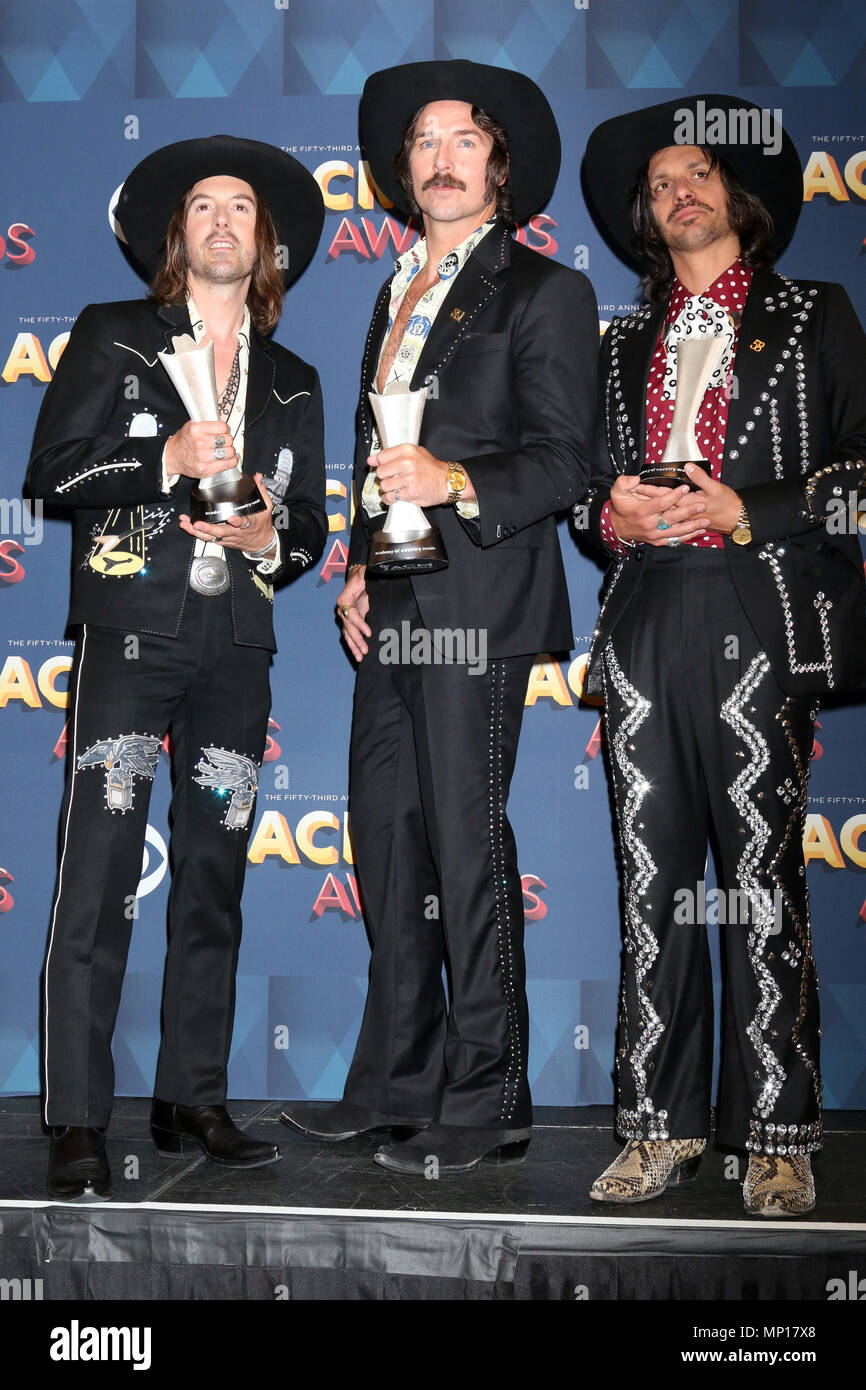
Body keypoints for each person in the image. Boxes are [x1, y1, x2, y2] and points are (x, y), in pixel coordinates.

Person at [280, 59, 598, 1175]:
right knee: (389, 840)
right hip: (398, 596)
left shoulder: (543, 291)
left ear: (498, 169)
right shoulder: (393, 289)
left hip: (483, 600)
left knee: (464, 844)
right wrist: (365, 565)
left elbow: (565, 460)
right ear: (401, 172)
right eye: (422, 140)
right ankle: (394, 1082)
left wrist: (454, 481)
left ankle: (489, 1092)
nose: (441, 155)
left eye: (464, 139)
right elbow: (384, 465)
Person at [579, 96, 866, 1215]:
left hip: (759, 607)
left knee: (755, 884)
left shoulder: (813, 314)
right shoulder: (619, 345)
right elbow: (584, 495)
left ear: (734, 195)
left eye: (692, 172)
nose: (675, 192)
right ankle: (657, 1128)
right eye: (657, 185)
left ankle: (777, 1136)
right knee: (650, 881)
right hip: (646, 615)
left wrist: (750, 506)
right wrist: (608, 515)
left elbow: (858, 474)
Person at [27, 135, 327, 1200]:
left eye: (239, 206)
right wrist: (162, 461)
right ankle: (75, 1114)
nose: (219, 219)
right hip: (131, 632)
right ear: (176, 236)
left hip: (235, 649)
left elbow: (311, 533)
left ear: (266, 243)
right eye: (201, 205)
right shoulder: (115, 338)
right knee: (100, 877)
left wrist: (270, 545)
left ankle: (191, 1093)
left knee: (214, 879)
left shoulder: (293, 380)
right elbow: (52, 472)